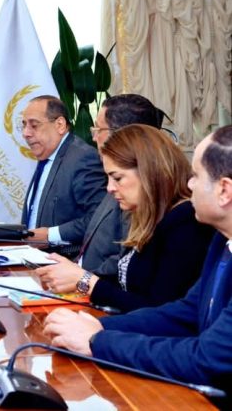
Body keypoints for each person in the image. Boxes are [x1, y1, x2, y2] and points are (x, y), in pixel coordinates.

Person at [43, 125, 232, 398]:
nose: (189, 185)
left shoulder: (194, 228)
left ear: (224, 190)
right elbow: (185, 313)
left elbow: (206, 360)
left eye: (196, 176)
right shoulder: (222, 242)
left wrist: (98, 341)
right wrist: (99, 327)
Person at [38, 124, 214, 312]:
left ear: (148, 172)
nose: (109, 188)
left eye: (117, 178)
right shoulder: (146, 213)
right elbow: (125, 286)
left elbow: (160, 310)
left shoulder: (185, 223)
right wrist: (75, 275)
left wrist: (85, 281)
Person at [45, 94, 166, 280]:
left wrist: (83, 279)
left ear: (121, 134)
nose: (94, 137)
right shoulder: (116, 179)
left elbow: (125, 259)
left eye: (98, 129)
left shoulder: (140, 187)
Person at [20, 96, 106, 246]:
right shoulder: (47, 154)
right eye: (24, 125)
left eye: (34, 125)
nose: (26, 133)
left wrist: (50, 235)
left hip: (66, 257)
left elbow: (99, 219)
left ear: (60, 125)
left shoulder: (83, 158)